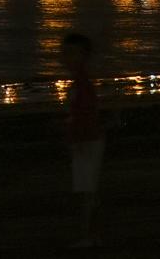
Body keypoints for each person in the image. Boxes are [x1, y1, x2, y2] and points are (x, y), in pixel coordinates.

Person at [60, 32, 105, 249]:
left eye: (71, 53)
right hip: (86, 140)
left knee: (86, 191)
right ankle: (92, 234)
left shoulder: (82, 83)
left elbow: (86, 114)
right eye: (65, 53)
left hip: (86, 141)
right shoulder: (81, 81)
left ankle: (87, 235)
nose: (66, 58)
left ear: (83, 56)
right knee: (88, 190)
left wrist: (77, 139)